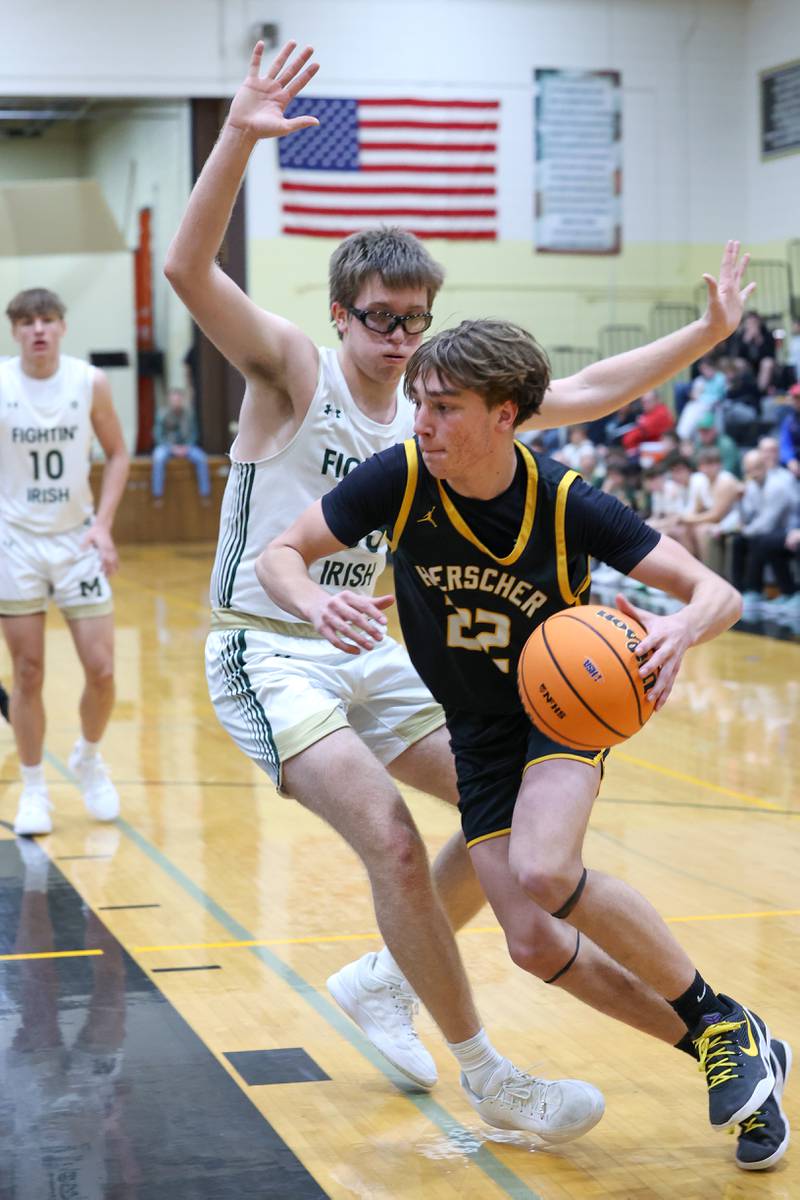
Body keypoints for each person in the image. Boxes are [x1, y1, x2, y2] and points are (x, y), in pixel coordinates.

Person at [164, 35, 764, 1145]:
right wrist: (237, 142)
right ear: (341, 313)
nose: (395, 339)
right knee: (391, 837)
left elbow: (580, 387)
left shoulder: (438, 411)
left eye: (412, 320)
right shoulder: (291, 368)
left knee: (492, 827)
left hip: (370, 646)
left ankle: (389, 976)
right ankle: (486, 1071)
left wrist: (705, 331)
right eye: (378, 317)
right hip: (266, 638)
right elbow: (189, 273)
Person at [260, 317, 789, 1171]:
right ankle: (728, 1044)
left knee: (546, 870)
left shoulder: (566, 500)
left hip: (563, 713)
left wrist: (683, 627)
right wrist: (314, 602)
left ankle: (718, 1014)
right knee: (534, 942)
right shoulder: (399, 479)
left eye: (443, 408)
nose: (421, 423)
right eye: (418, 405)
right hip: (476, 729)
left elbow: (716, 590)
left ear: (506, 415)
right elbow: (283, 551)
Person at [0, 288, 129, 837]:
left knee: (101, 671)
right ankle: (33, 789)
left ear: (62, 326)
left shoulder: (87, 382)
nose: (38, 330)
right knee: (28, 673)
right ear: (14, 330)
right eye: (27, 321)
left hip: (76, 540)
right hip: (15, 543)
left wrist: (102, 525)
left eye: (47, 320)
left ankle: (89, 758)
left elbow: (119, 453)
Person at [151, 385, 211, 505]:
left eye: (178, 399)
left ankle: (205, 494)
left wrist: (187, 446)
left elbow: (194, 433)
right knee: (158, 458)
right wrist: (171, 448)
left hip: (186, 447)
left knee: (201, 458)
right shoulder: (162, 414)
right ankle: (157, 495)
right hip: (167, 447)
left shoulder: (189, 414)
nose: (176, 402)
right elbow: (157, 435)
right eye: (174, 399)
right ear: (169, 400)